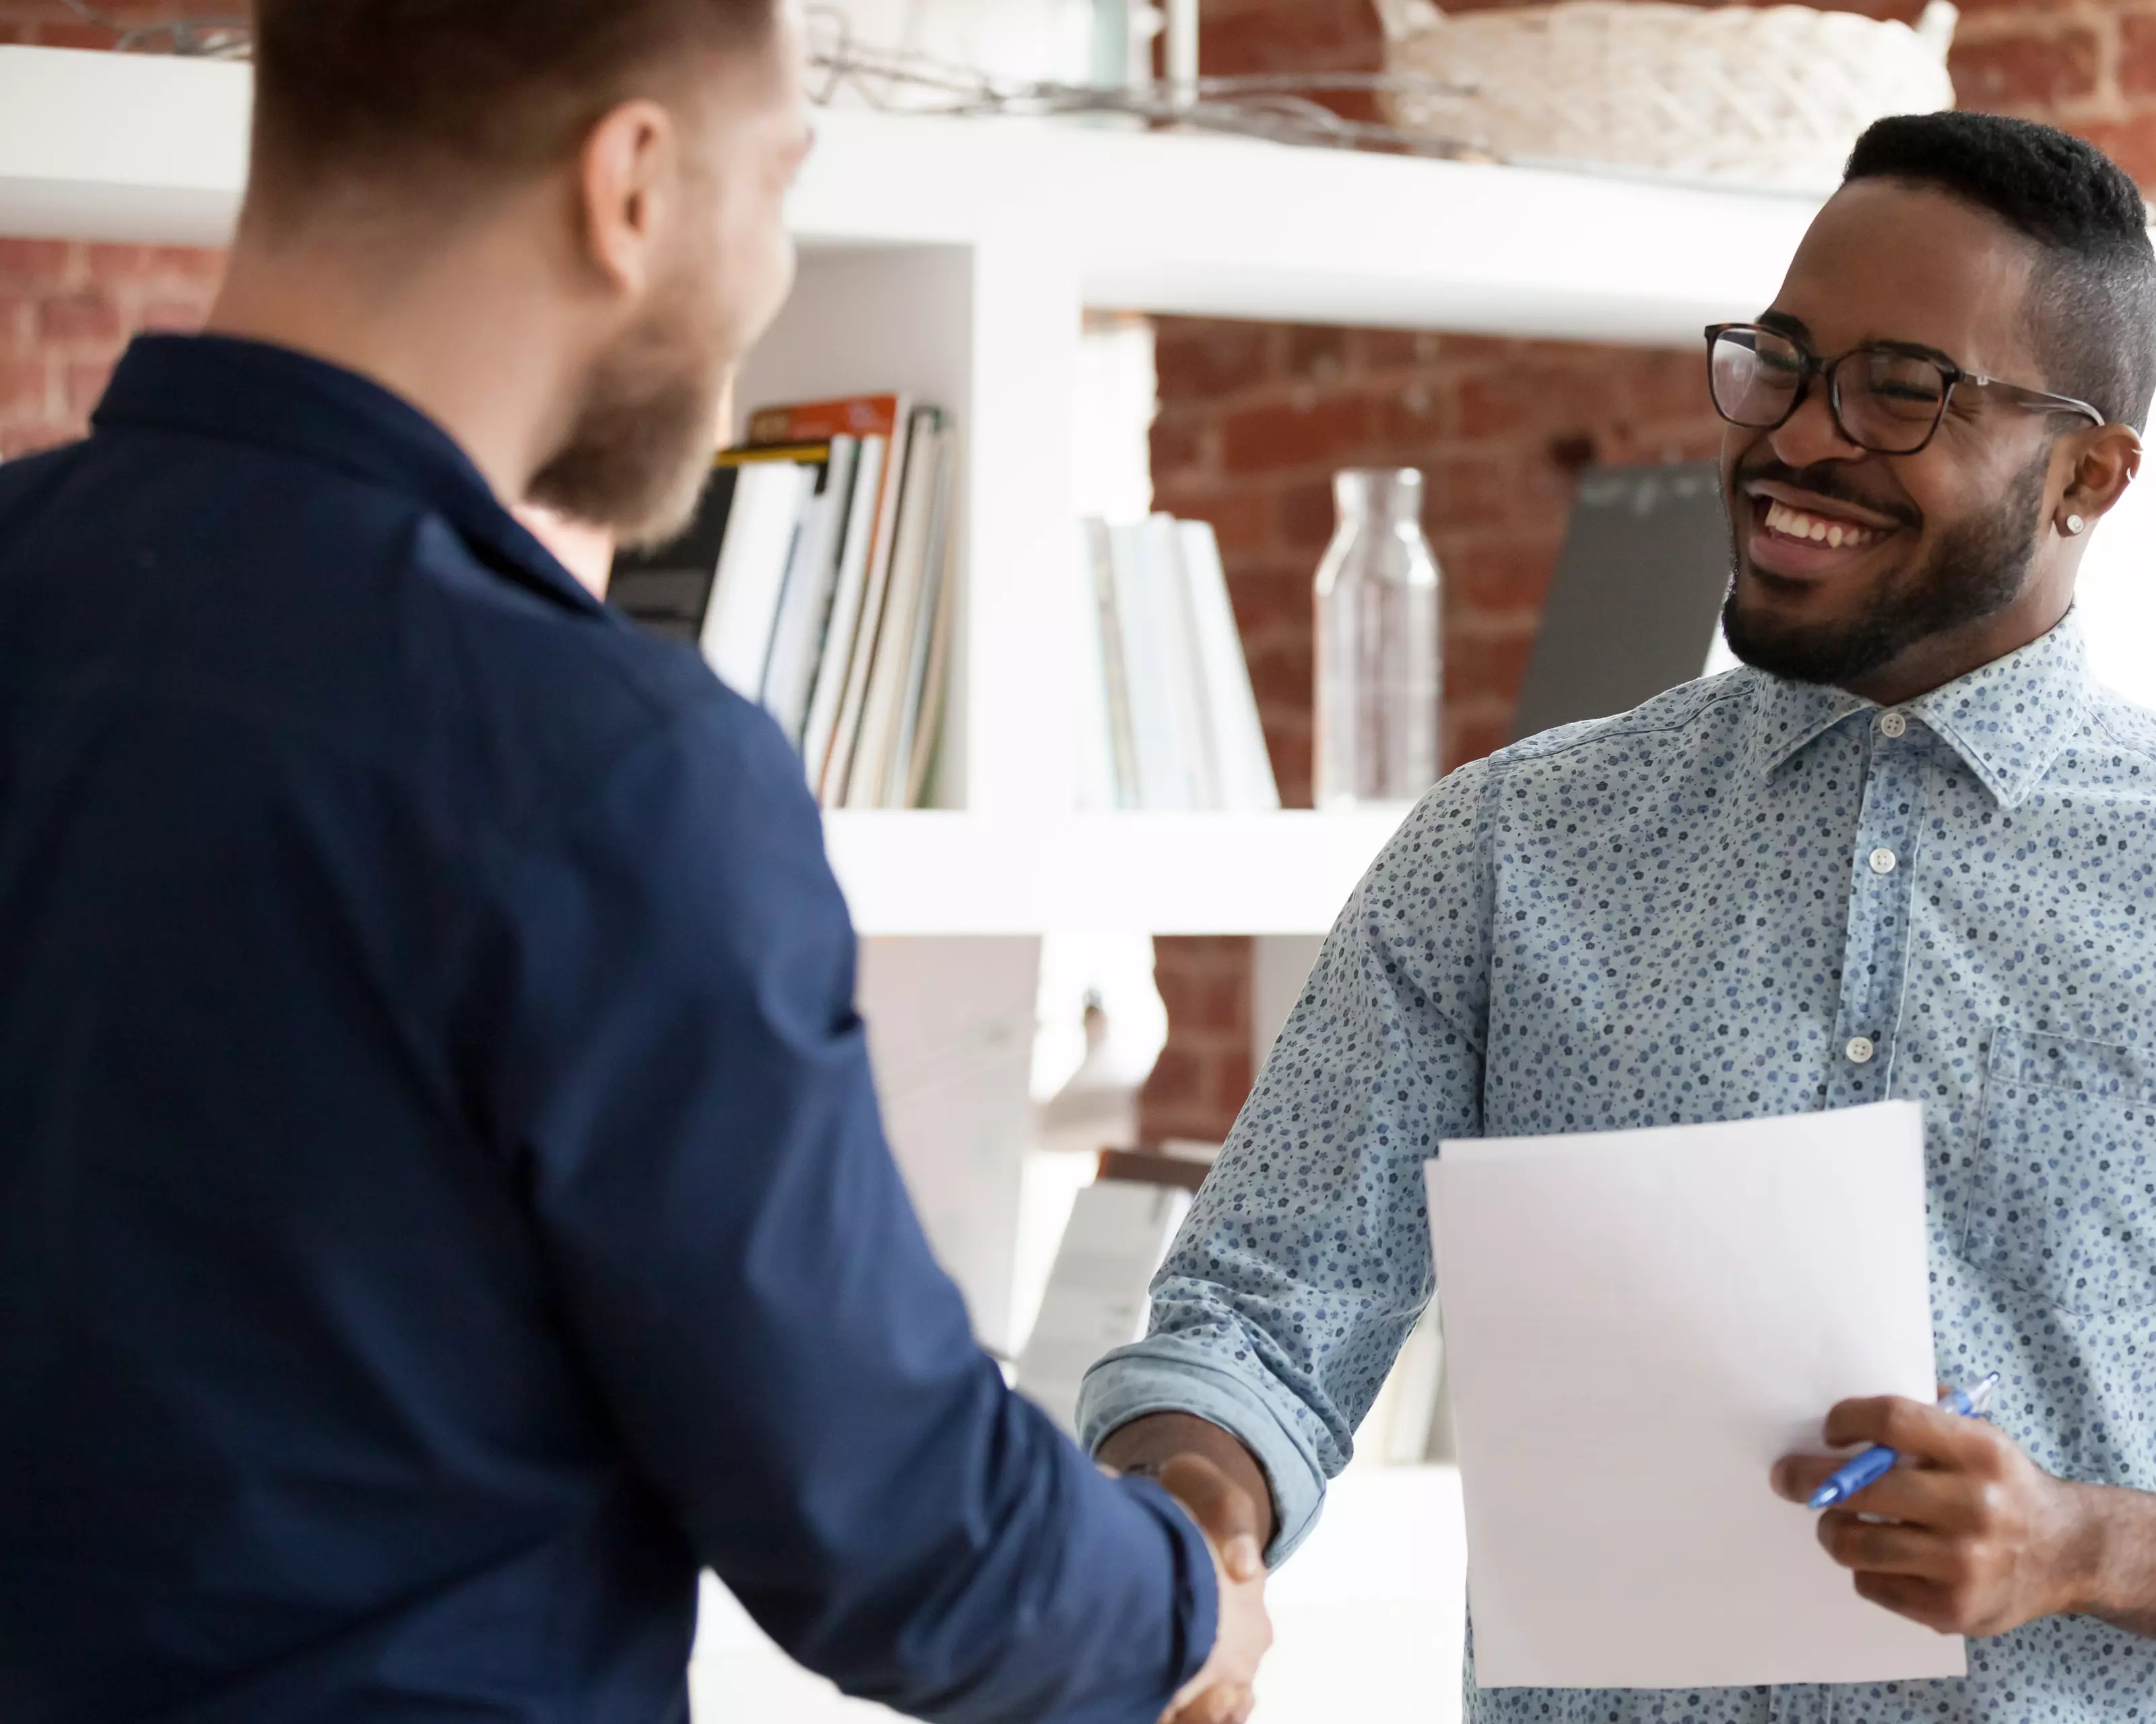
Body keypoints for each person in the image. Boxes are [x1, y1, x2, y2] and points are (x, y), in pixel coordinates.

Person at [1082, 111, 2156, 1722]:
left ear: (2090, 474)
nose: (1795, 435)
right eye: (1780, 360)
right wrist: (1192, 1531)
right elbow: (1253, 1325)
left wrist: (2077, 1543)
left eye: (1902, 391)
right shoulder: (1507, 848)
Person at [0, 3, 1266, 1720]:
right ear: (635, 184)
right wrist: (1181, 1607)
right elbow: (893, 1518)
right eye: (778, 187)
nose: (765, 285)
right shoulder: (601, 763)